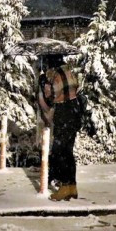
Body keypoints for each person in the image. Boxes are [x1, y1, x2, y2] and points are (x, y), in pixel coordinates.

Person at [38, 54, 82, 201]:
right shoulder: (69, 71)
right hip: (74, 113)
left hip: (64, 114)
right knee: (68, 152)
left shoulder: (56, 75)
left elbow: (50, 98)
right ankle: (72, 187)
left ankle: (64, 187)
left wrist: (43, 82)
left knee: (60, 152)